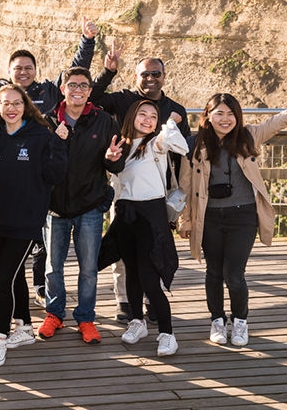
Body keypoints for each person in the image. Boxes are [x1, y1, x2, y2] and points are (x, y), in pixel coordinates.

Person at [0, 20, 96, 305]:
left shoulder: (48, 90)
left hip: (38, 174)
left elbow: (75, 73)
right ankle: (2, 282)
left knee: (39, 238)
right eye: (17, 68)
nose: (23, 71)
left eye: (28, 67)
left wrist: (87, 40)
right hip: (6, 175)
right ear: (9, 72)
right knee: (2, 239)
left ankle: (38, 285)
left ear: (36, 70)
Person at [89, 48, 192, 322]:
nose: (150, 78)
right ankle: (124, 300)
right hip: (124, 186)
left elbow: (184, 154)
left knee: (154, 246)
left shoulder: (176, 110)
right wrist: (108, 72)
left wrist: (181, 193)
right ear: (136, 76)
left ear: (164, 77)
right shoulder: (123, 100)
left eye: (155, 73)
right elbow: (93, 99)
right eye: (144, 73)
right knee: (124, 248)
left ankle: (151, 297)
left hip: (158, 190)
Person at [0, 84, 67, 368]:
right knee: (13, 275)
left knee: (3, 279)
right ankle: (24, 327)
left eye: (16, 102)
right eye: (4, 103)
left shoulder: (40, 136)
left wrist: (60, 144)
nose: (11, 108)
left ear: (25, 105)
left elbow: (55, 175)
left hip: (27, 221)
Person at [179, 95, 287, 347]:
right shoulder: (194, 144)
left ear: (238, 116)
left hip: (243, 215)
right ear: (207, 115)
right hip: (210, 217)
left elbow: (277, 122)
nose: (225, 119)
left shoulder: (248, 136)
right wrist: (185, 220)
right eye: (219, 113)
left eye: (230, 114)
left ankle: (240, 321)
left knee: (234, 274)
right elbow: (185, 185)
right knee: (214, 272)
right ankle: (217, 319)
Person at [38, 67, 125, 346]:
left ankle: (86, 318)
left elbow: (117, 164)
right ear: (62, 88)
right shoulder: (47, 121)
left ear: (89, 90)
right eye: (72, 84)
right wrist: (57, 142)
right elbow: (41, 167)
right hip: (55, 207)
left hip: (90, 204)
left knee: (89, 268)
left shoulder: (104, 121)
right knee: (53, 267)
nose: (78, 89)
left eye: (83, 85)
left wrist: (112, 158)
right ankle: (54, 313)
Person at [99, 100, 188, 357]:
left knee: (150, 277)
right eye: (142, 114)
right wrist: (109, 157)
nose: (147, 119)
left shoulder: (156, 144)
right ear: (131, 116)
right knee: (132, 273)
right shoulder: (120, 146)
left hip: (151, 214)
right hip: (126, 213)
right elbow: (113, 176)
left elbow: (180, 146)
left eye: (153, 116)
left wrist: (170, 121)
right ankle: (137, 321)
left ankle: (167, 333)